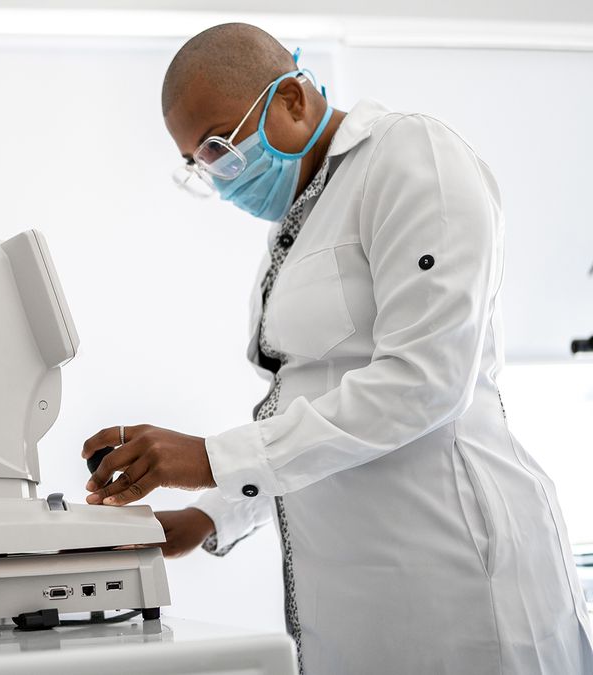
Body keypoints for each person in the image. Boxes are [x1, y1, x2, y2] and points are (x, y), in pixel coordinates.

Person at [82, 23, 593, 675]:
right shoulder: (298, 223)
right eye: (199, 163)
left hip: (461, 592)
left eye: (218, 147)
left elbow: (426, 380)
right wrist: (206, 517)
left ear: (292, 98)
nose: (217, 175)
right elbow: (309, 408)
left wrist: (211, 457)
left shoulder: (413, 157)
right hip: (361, 609)